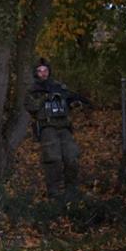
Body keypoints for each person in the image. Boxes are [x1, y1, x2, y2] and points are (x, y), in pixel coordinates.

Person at [24, 58, 88, 200]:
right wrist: (46, 97)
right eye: (40, 71)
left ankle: (72, 191)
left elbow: (69, 102)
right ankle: (54, 193)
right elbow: (31, 107)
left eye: (45, 70)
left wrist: (74, 103)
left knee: (71, 157)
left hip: (64, 127)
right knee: (53, 159)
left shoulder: (59, 86)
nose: (43, 74)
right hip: (48, 127)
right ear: (36, 73)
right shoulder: (33, 90)